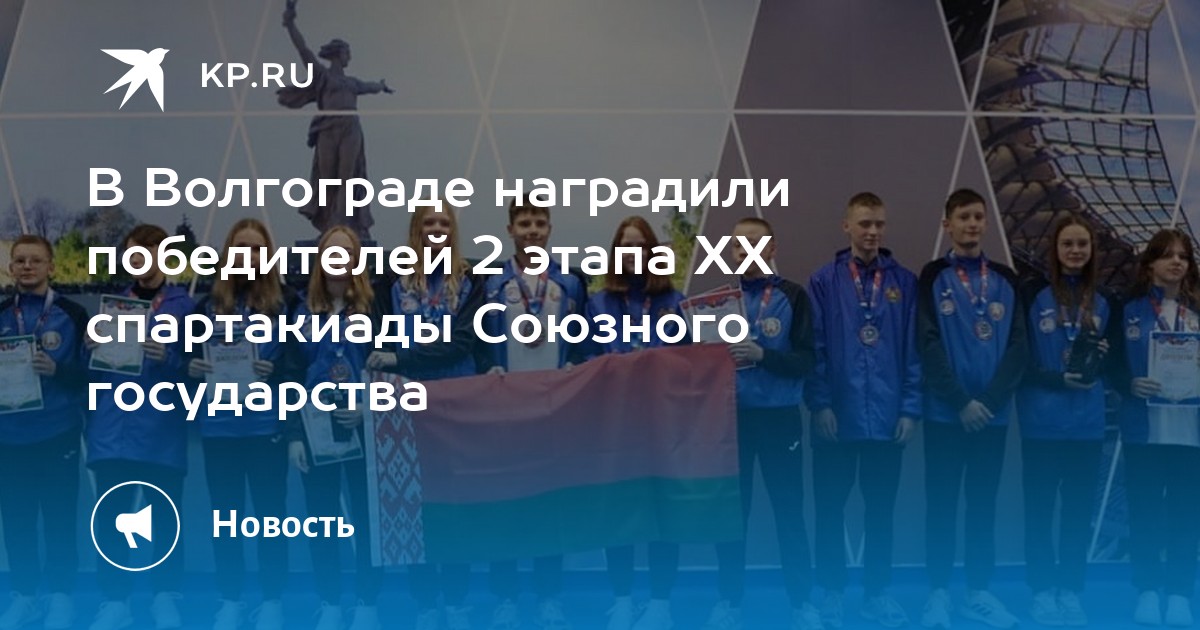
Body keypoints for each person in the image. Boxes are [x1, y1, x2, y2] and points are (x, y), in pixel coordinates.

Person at [364, 202, 484, 630]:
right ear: (415, 228)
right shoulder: (391, 281)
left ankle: (457, 599)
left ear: (454, 230)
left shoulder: (470, 279)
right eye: (428, 221)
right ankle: (426, 601)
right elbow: (378, 340)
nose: (437, 228)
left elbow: (464, 342)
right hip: (405, 404)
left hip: (455, 402)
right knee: (413, 501)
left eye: (444, 222)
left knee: (456, 502)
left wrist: (402, 357)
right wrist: (392, 360)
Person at [701, 216, 821, 630]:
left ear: (771, 249)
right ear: (730, 252)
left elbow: (806, 360)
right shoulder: (716, 302)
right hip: (731, 421)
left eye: (755, 243)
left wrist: (763, 356)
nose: (746, 251)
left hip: (779, 420)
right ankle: (729, 602)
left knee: (789, 512)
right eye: (739, 245)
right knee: (732, 516)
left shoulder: (793, 296)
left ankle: (801, 603)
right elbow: (701, 365)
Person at [806, 193, 919, 629]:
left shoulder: (904, 282)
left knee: (881, 512)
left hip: (888, 419)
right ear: (847, 226)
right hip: (836, 417)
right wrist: (820, 404)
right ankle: (832, 593)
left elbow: (913, 350)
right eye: (865, 223)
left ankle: (877, 594)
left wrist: (909, 408)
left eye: (879, 224)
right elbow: (815, 347)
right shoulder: (823, 281)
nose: (873, 231)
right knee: (830, 510)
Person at [917, 188, 1026, 630]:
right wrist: (961, 402)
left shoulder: (1006, 279)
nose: (973, 224)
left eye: (979, 216)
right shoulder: (931, 276)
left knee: (983, 505)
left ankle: (978, 592)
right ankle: (938, 593)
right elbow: (926, 343)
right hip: (945, 415)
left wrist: (989, 402)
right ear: (947, 224)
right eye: (964, 216)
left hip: (992, 418)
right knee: (941, 504)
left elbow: (1018, 347)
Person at [477, 197, 587, 630]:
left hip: (552, 407)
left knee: (549, 503)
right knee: (503, 502)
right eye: (524, 223)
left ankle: (548, 595)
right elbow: (478, 340)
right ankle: (504, 594)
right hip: (503, 409)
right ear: (510, 230)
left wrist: (574, 364)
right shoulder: (491, 281)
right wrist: (487, 367)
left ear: (550, 229)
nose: (533, 230)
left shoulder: (570, 281)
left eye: (540, 222)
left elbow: (583, 339)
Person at [187, 218, 298, 630]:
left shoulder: (287, 303)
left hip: (266, 427)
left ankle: (272, 600)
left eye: (256, 248)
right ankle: (231, 599)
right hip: (220, 429)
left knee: (271, 518)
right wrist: (191, 369)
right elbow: (187, 360)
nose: (248, 255)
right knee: (226, 519)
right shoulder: (206, 306)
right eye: (240, 247)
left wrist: (277, 370)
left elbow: (299, 362)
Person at [86, 225, 195, 630]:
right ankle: (115, 600)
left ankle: (166, 596)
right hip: (112, 430)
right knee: (111, 520)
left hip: (161, 429)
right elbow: (88, 373)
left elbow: (201, 370)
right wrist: (88, 348)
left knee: (164, 518)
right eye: (134, 254)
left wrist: (171, 359)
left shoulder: (186, 308)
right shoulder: (111, 308)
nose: (141, 261)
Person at [584, 216, 686, 630]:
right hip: (615, 424)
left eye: (640, 245)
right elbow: (585, 359)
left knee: (664, 512)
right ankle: (623, 600)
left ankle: (660, 602)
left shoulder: (675, 301)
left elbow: (689, 362)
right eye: (625, 245)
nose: (633, 252)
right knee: (619, 512)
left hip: (663, 424)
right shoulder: (597, 303)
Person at [1016, 215, 1114, 627]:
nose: (1075, 251)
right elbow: (1019, 361)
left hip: (1087, 426)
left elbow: (1116, 366)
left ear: (1092, 251)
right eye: (1068, 244)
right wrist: (1057, 379)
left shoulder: (1105, 300)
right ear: (1054, 250)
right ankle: (1041, 590)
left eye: (1082, 244)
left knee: (1077, 512)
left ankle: (1071, 589)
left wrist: (1103, 357)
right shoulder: (1031, 294)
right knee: (1039, 511)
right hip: (1041, 424)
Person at [285, 226, 384, 630]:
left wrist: (369, 409)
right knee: (322, 519)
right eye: (331, 252)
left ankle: (367, 602)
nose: (338, 260)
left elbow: (388, 366)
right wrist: (294, 434)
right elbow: (290, 373)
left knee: (366, 517)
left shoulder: (375, 308)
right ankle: (328, 601)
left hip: (363, 425)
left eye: (346, 253)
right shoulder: (301, 311)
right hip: (315, 430)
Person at [1110, 228, 1200, 627]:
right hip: (1144, 431)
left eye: (1183, 255)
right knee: (1144, 512)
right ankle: (1146, 589)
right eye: (1167, 255)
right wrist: (1129, 383)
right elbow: (1111, 364)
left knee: (1185, 514)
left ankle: (1179, 593)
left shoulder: (1198, 312)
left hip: (1190, 434)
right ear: (1150, 264)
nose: (1176, 261)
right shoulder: (1128, 310)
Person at [0, 235, 87, 630]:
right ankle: (24, 596)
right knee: (16, 520)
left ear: (51, 266)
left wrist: (58, 371)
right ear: (11, 268)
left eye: (35, 260)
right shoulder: (2, 313)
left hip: (58, 432)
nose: (27, 266)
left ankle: (61, 597)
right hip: (9, 436)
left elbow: (93, 374)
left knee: (59, 518)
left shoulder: (74, 314)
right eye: (20, 260)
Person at [280, 0, 393, 240]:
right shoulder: (322, 75)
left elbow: (369, 86)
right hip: (327, 129)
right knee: (327, 178)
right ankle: (329, 226)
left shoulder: (352, 83)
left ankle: (343, 226)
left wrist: (381, 86)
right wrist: (290, 23)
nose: (349, 56)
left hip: (350, 129)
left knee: (347, 178)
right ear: (338, 54)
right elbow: (303, 50)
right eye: (347, 53)